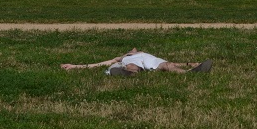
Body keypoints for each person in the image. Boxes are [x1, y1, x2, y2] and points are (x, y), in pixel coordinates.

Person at [61, 48, 212, 76]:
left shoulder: (146, 54)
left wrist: (190, 64)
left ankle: (192, 73)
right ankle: (127, 73)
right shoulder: (122, 57)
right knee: (132, 66)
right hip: (132, 64)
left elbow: (173, 62)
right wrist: (75, 67)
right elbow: (99, 64)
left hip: (151, 62)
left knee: (169, 65)